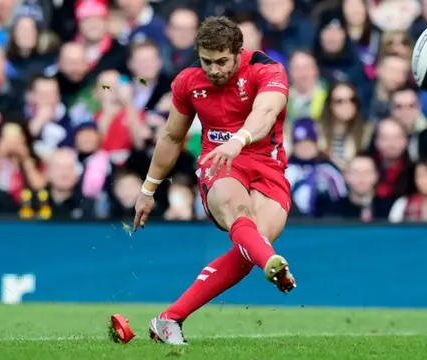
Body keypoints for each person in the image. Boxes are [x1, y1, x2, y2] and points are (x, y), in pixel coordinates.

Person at [113, 16, 296, 345]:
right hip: (219, 164)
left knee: (250, 247)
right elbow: (171, 137)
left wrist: (239, 139)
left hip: (267, 166)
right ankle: (270, 262)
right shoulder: (188, 82)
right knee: (243, 220)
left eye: (222, 61)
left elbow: (266, 113)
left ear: (239, 53)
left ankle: (168, 319)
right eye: (207, 61)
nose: (214, 69)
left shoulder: (267, 69)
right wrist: (147, 189)